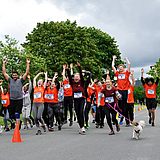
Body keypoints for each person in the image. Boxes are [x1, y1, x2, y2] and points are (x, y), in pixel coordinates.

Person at [2, 58, 30, 128]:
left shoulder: (20, 80)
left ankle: (17, 126)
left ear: (17, 76)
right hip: (12, 99)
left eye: (15, 75)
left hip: (19, 99)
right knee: (11, 115)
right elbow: (4, 73)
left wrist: (27, 64)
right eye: (13, 75)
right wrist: (4, 63)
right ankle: (18, 121)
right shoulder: (10, 80)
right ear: (12, 76)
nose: (14, 76)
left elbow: (26, 73)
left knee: (17, 113)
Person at [66, 62, 86, 135]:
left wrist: (79, 67)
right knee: (78, 114)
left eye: (78, 76)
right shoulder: (72, 83)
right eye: (75, 76)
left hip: (82, 99)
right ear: (74, 78)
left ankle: (83, 127)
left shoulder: (82, 82)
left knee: (81, 112)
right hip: (75, 100)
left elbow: (81, 74)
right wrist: (67, 69)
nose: (76, 77)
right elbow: (69, 75)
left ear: (80, 77)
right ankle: (81, 127)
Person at [112, 56, 131, 126]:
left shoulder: (126, 73)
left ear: (123, 68)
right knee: (119, 105)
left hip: (125, 91)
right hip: (119, 90)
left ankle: (127, 121)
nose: (120, 69)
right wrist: (113, 59)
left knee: (125, 107)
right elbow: (112, 66)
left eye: (121, 67)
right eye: (119, 68)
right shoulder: (117, 74)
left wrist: (126, 59)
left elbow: (129, 64)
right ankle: (121, 115)